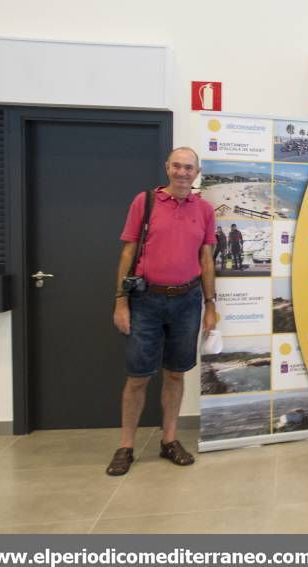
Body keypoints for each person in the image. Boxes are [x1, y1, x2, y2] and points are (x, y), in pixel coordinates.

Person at [107, 147, 216, 476]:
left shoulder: (205, 209)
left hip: (187, 302)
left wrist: (210, 305)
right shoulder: (146, 202)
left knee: (175, 373)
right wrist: (120, 300)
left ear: (197, 173)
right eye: (177, 166)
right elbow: (128, 252)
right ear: (167, 168)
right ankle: (125, 446)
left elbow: (206, 259)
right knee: (138, 377)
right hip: (146, 302)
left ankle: (169, 441)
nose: (183, 173)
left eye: (189, 168)